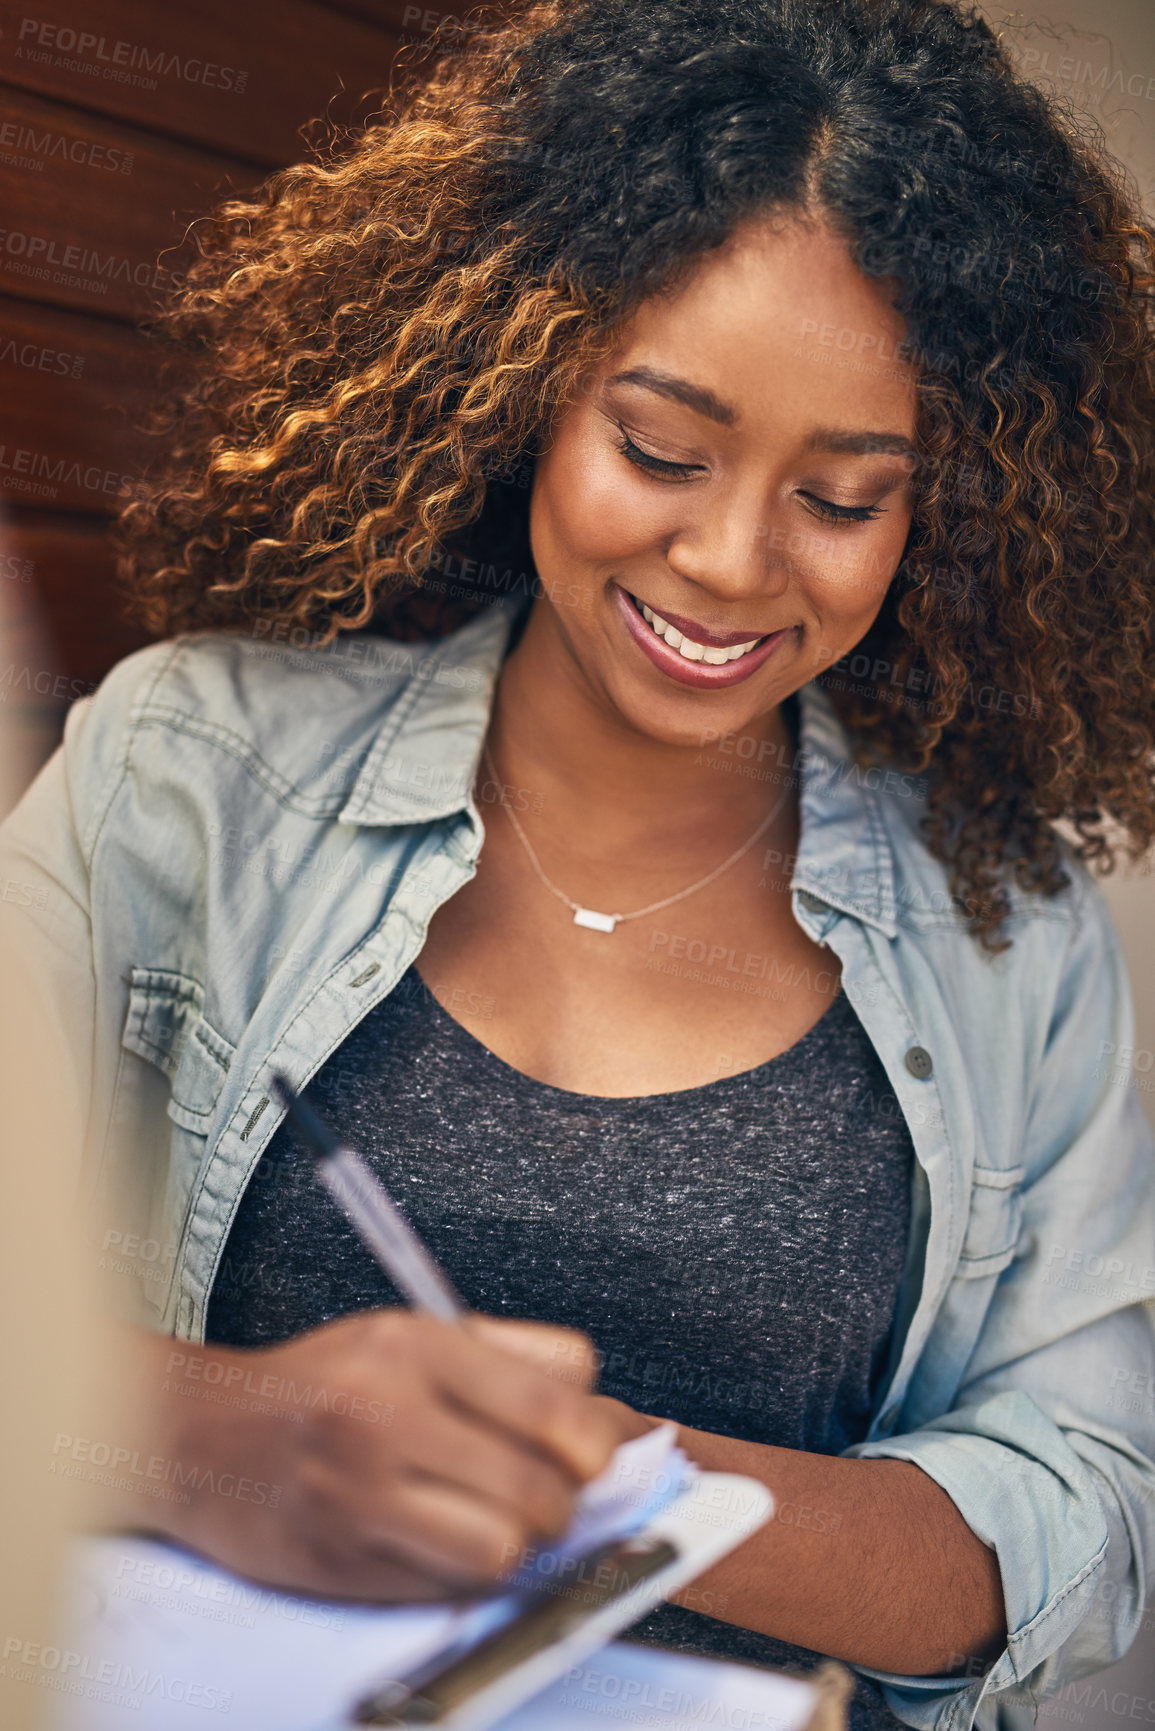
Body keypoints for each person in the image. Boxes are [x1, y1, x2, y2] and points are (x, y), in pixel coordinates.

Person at [2, 2, 1154, 1729]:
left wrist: (612, 1481)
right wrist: (240, 1437)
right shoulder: (190, 771)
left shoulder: (1008, 924)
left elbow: (1089, 1504)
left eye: (844, 497)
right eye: (663, 449)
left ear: (948, 509)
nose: (730, 560)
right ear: (523, 374)